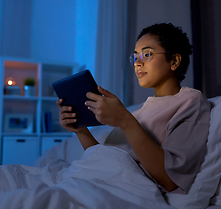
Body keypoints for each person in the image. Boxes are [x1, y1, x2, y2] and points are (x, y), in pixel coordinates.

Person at [57, 23, 210, 194]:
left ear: (174, 61)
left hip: (123, 191)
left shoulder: (190, 101)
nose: (137, 63)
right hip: (96, 181)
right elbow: (102, 162)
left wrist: (125, 120)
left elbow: (170, 180)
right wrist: (81, 131)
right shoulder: (139, 111)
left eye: (147, 54)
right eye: (135, 56)